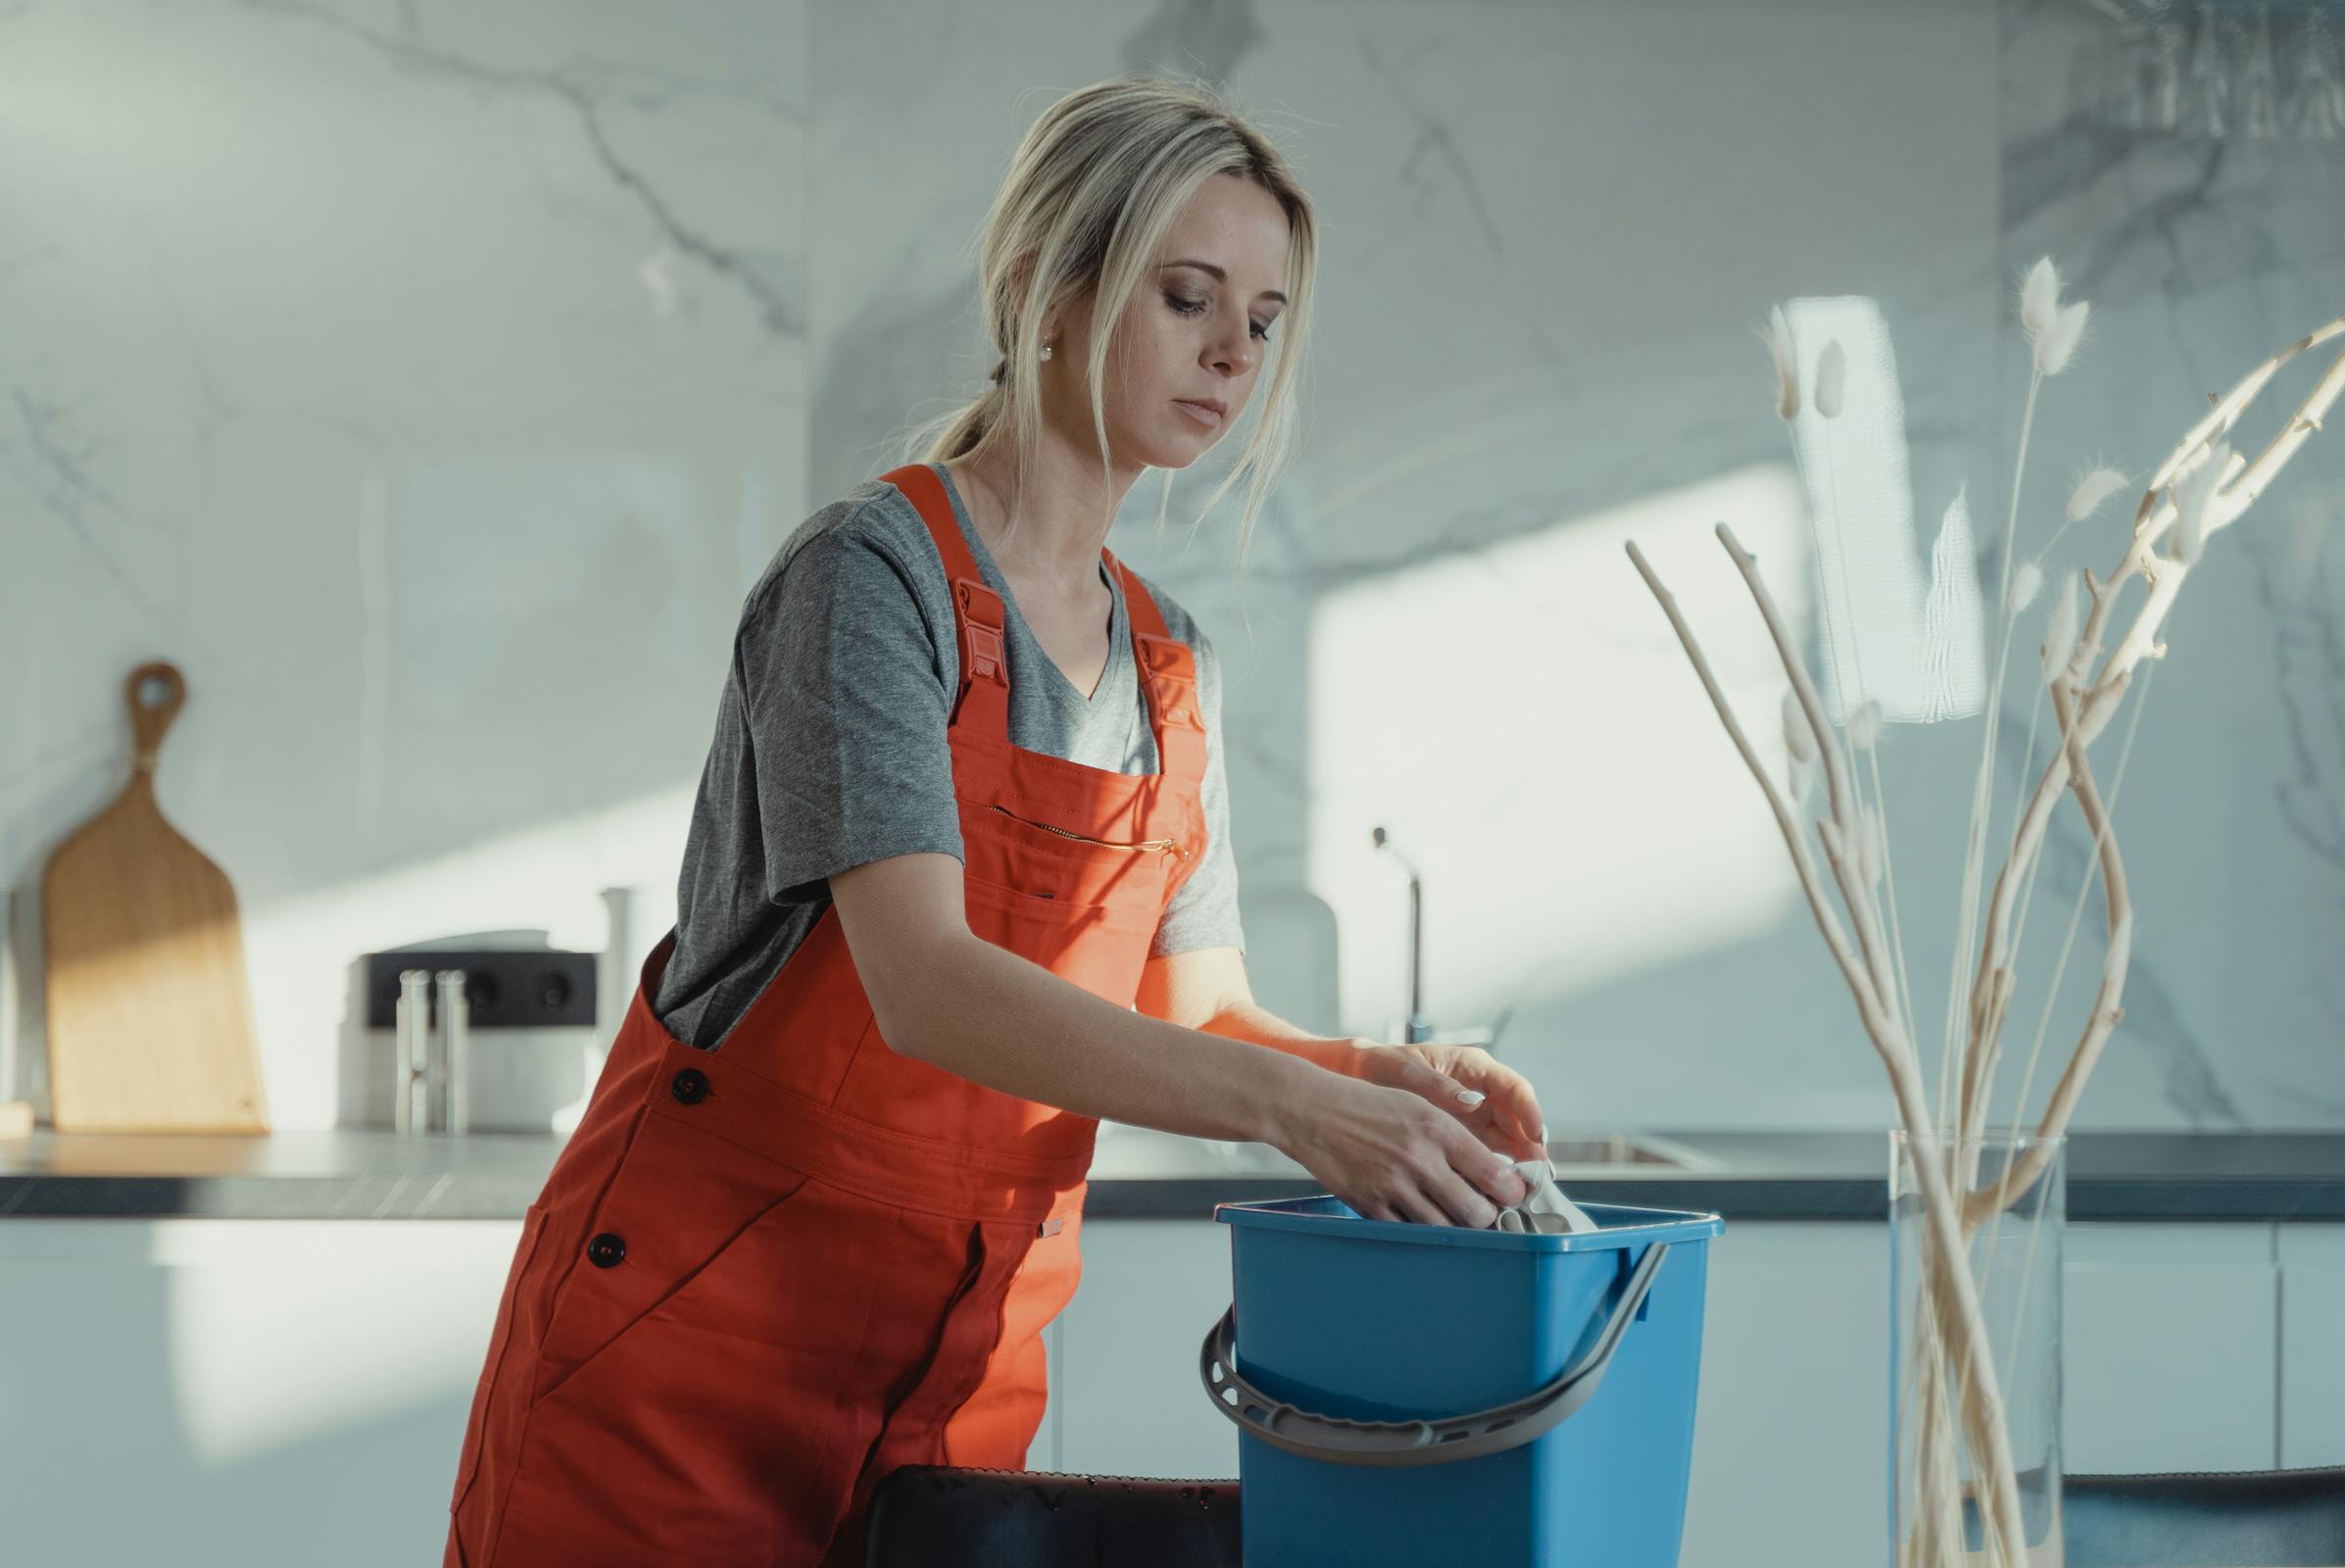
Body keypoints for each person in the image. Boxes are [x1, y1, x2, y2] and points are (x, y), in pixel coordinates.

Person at [443, 73, 1548, 1568]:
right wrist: (1304, 1117)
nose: (1233, 352)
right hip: (681, 1366)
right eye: (1187, 295)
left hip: (949, 1391)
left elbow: (1202, 1012)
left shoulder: (1169, 668)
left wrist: (1381, 1085)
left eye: (1266, 319)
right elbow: (926, 984)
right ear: (1042, 283)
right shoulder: (868, 580)